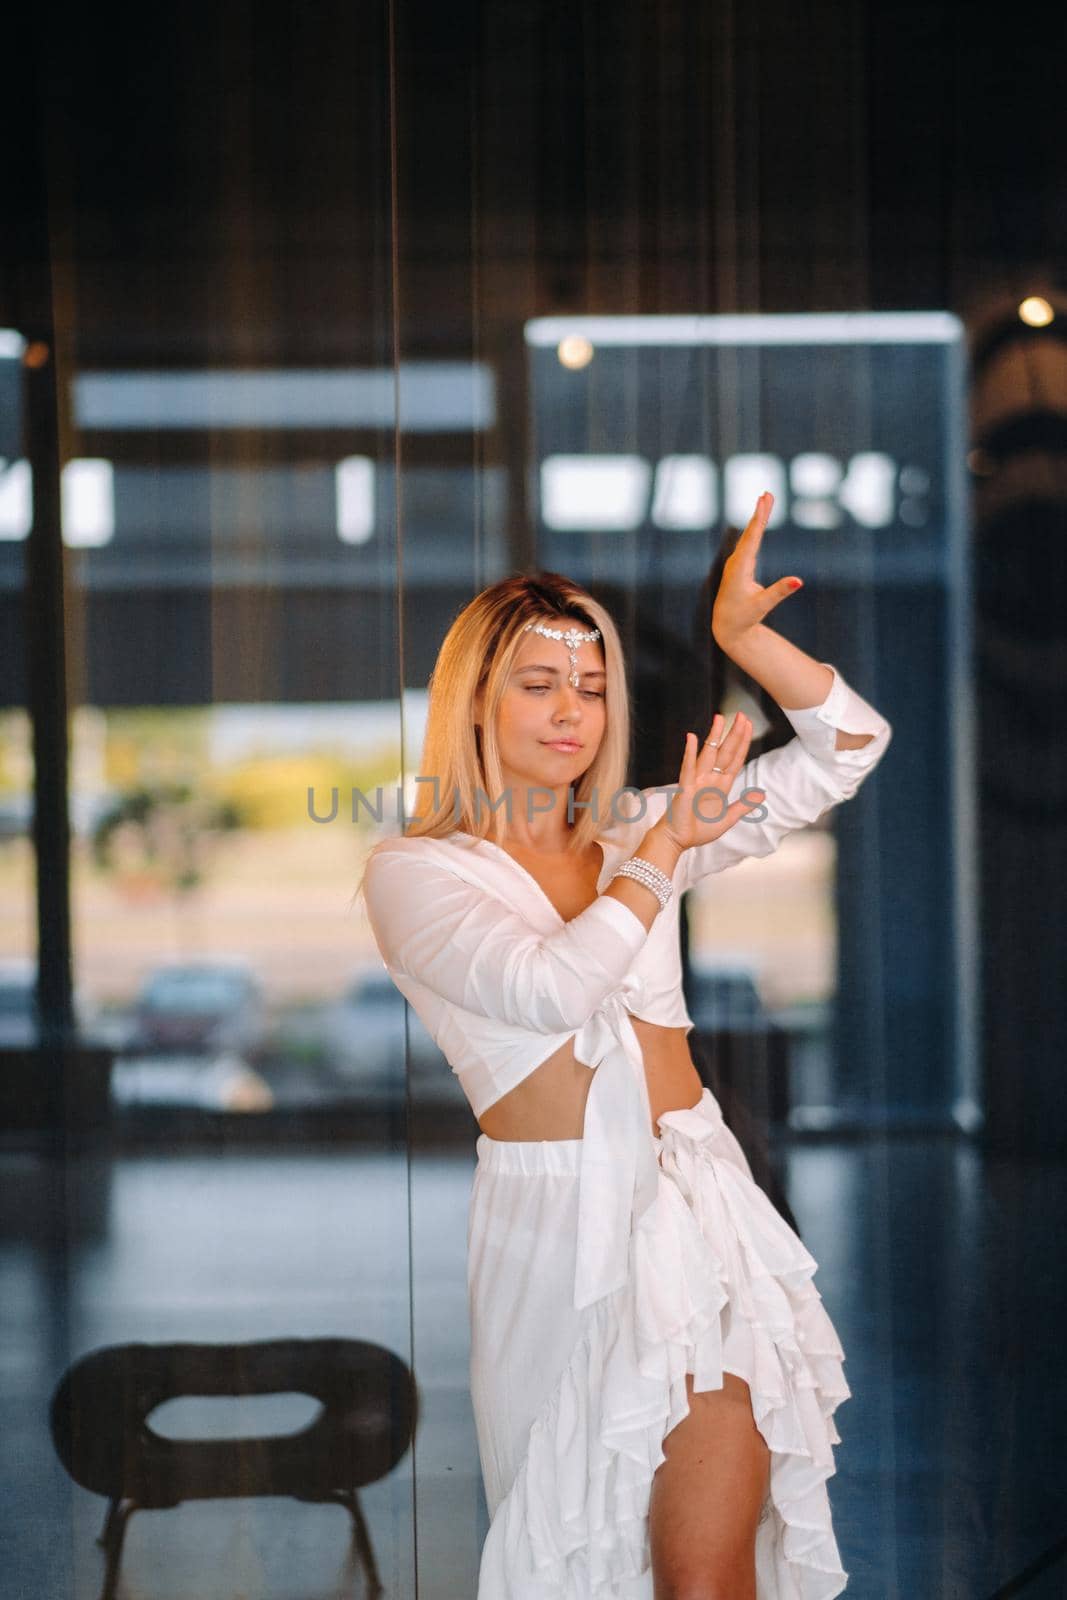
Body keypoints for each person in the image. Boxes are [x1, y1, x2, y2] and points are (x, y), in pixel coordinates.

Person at [357, 492, 892, 1599]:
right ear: (474, 699)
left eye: (593, 688)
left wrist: (741, 640)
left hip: (699, 1212)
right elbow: (553, 988)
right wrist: (661, 852)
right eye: (540, 683)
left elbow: (847, 746)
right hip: (554, 1231)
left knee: (704, 1578)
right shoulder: (416, 873)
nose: (574, 712)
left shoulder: (642, 822)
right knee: (582, 1565)